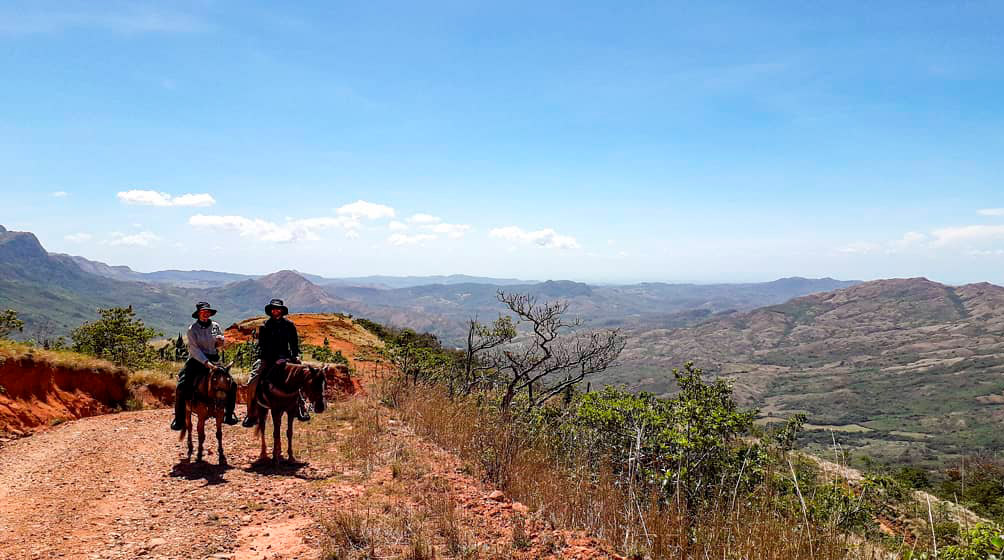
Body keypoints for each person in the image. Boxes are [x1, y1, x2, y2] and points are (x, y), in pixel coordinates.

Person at [170, 302, 239, 430]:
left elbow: (219, 344)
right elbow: (194, 350)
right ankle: (179, 419)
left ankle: (229, 414)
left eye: (208, 312)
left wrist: (220, 342)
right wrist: (207, 363)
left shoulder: (215, 326)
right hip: (197, 360)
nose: (206, 314)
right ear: (198, 314)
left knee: (232, 384)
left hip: (214, 358)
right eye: (203, 312)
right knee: (182, 386)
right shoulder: (192, 330)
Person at [242, 298, 310, 427]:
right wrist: (275, 359)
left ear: (282, 311)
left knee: (303, 375)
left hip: (286, 358)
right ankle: (251, 413)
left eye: (278, 308)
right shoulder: (264, 326)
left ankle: (301, 407)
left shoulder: (289, 326)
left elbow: (294, 345)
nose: (275, 310)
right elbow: (263, 347)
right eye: (273, 308)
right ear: (270, 311)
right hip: (267, 358)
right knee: (253, 380)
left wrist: (293, 357)